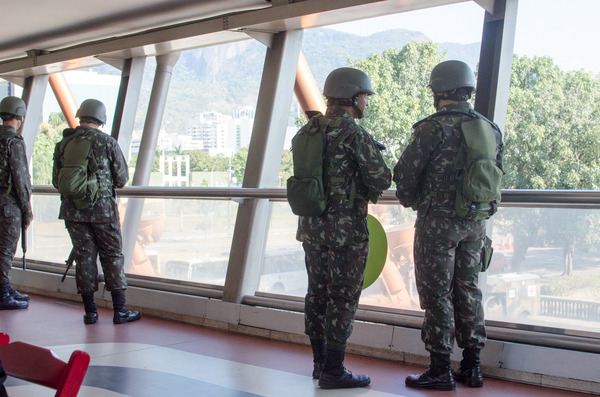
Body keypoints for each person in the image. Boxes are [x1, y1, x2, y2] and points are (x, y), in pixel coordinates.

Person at [393, 60, 504, 390]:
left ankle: (440, 368)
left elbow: (405, 175)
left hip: (438, 225)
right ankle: (472, 366)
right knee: (468, 289)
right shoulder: (489, 128)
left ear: (438, 91)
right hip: (475, 224)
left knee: (436, 294)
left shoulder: (432, 128)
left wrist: (414, 201)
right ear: (467, 90)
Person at [295, 67, 391, 389]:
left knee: (316, 294)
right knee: (343, 298)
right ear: (353, 97)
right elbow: (381, 179)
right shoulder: (354, 134)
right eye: (365, 96)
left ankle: (319, 363)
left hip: (312, 229)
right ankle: (334, 370)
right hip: (345, 233)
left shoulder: (309, 130)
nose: (366, 102)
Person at [52, 98, 141, 325]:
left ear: (80, 115)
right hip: (103, 212)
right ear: (101, 118)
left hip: (72, 211)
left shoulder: (63, 144)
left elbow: (56, 181)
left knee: (84, 258)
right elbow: (121, 179)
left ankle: (90, 312)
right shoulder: (106, 142)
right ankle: (120, 310)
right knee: (112, 256)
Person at [0, 96, 32, 310]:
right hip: (8, 203)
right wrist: (27, 209)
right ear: (20, 116)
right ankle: (2, 292)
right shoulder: (14, 140)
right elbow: (21, 178)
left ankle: (5, 285)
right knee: (5, 249)